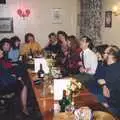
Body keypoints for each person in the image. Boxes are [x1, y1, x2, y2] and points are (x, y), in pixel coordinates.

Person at [0, 48, 28, 116]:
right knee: (24, 85)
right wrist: (16, 78)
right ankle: (24, 108)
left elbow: (4, 74)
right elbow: (5, 78)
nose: (1, 51)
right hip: (4, 87)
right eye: (0, 51)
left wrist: (12, 75)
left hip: (4, 83)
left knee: (19, 75)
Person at [100, 45, 120, 117]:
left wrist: (107, 104)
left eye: (105, 53)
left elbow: (107, 94)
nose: (103, 54)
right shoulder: (114, 66)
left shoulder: (112, 70)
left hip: (116, 107)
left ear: (111, 56)